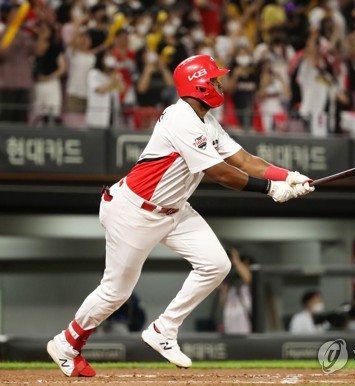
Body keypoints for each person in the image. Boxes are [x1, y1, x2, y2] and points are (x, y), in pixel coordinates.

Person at [47, 54, 314, 377]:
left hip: (174, 209)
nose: (219, 84)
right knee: (116, 291)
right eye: (213, 79)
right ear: (197, 83)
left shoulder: (206, 121)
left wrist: (288, 176)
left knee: (217, 264)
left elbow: (243, 160)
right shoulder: (180, 118)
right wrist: (271, 189)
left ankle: (163, 330)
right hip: (134, 211)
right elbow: (220, 173)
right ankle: (67, 343)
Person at [217, 247, 253, 334]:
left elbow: (247, 278)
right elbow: (222, 300)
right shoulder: (230, 279)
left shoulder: (247, 280)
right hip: (230, 320)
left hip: (244, 321)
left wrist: (236, 260)